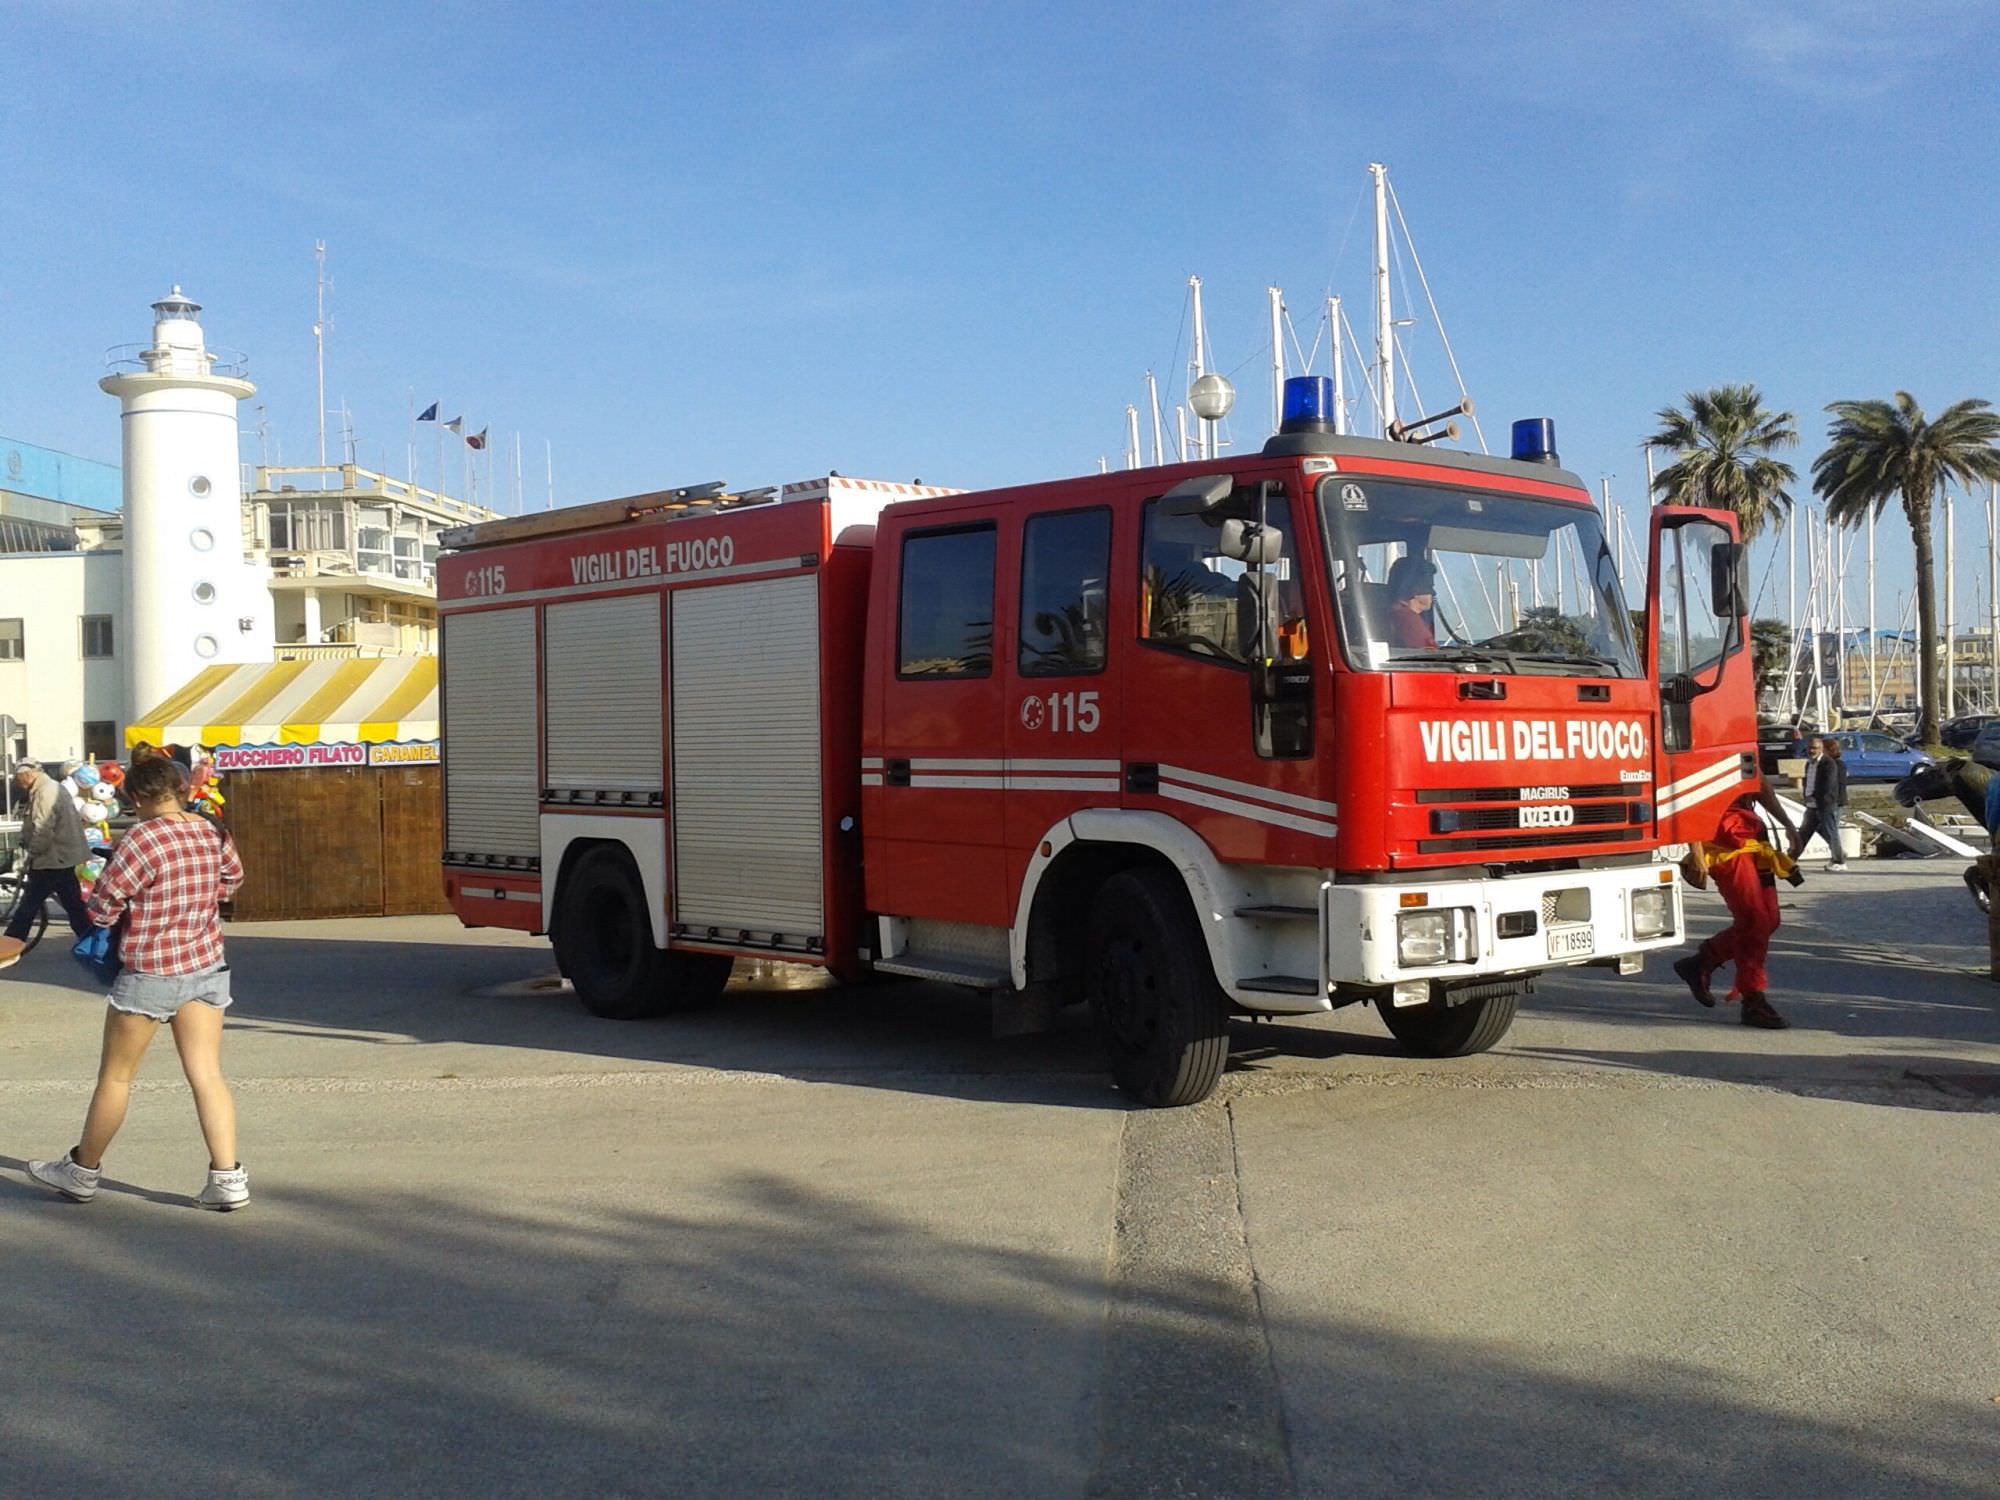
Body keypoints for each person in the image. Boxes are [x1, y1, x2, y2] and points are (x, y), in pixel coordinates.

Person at [28, 754, 250, 1210]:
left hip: (150, 971)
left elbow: (105, 903)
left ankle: (81, 1171)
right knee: (207, 1075)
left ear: (138, 796)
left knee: (116, 1077)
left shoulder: (142, 839)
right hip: (206, 966)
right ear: (182, 789)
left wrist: (125, 915)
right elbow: (233, 880)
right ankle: (227, 1178)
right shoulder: (211, 830)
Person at [1674, 781, 1801, 1030]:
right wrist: (1697, 853)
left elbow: (1763, 786)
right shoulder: (1704, 747)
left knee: (1769, 921)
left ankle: (1701, 962)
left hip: (1752, 837)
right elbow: (1688, 798)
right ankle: (1753, 999)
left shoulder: (1745, 749)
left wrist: (1788, 825)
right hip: (1724, 842)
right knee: (1754, 921)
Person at [4, 758, 94, 950]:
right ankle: (92, 943)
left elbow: (42, 827)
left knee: (28, 906)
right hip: (62, 857)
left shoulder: (45, 792)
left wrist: (32, 854)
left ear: (28, 775)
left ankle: (7, 946)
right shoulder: (49, 787)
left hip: (51, 858)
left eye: (18, 779)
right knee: (74, 907)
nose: (18, 784)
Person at [1794, 734, 1848, 871]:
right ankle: (1790, 859)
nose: (1811, 751)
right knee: (1803, 834)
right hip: (1811, 805)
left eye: (1815, 748)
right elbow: (1808, 782)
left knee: (1831, 832)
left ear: (1821, 749)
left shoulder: (1829, 763)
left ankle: (1840, 861)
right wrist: (1806, 796)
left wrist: (1814, 796)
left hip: (1825, 805)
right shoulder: (1808, 763)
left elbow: (1828, 785)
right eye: (1809, 748)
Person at [1383, 556, 1437, 649]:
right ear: (1415, 589)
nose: (1433, 592)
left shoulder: (1393, 613)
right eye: (1429, 587)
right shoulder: (1406, 618)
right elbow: (1430, 654)